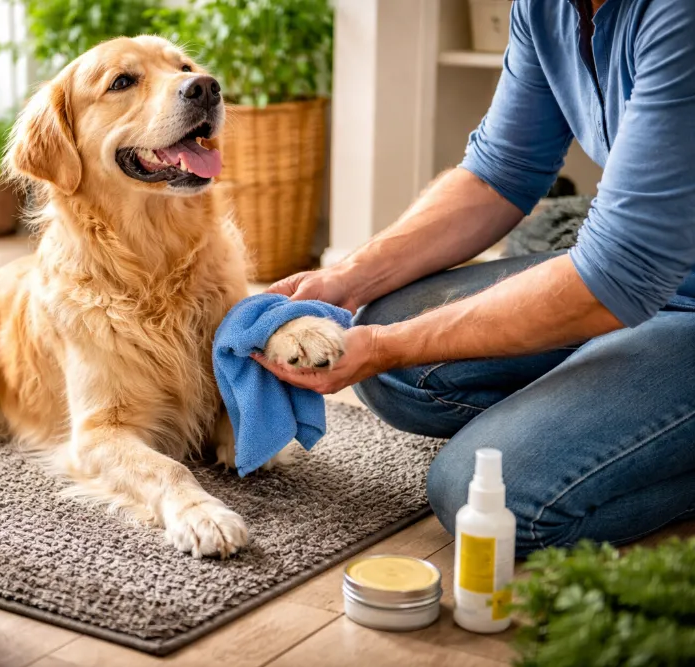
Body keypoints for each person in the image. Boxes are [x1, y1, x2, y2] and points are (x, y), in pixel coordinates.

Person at [253, 0, 695, 557]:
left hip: (648, 282)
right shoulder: (546, 7)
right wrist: (346, 278)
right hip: (646, 281)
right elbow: (499, 174)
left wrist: (385, 347)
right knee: (391, 357)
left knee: (484, 499)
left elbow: (615, 272)